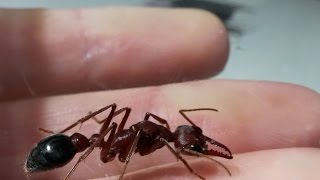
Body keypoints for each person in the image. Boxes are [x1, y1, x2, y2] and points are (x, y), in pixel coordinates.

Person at [1, 7, 319, 180]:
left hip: (78, 141)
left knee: (114, 120)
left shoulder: (153, 133)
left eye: (191, 146)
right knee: (113, 112)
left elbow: (155, 133)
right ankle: (59, 151)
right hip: (63, 147)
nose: (188, 147)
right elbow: (143, 133)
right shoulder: (149, 134)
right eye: (191, 146)